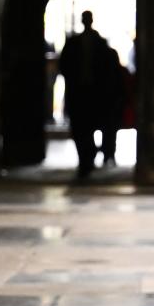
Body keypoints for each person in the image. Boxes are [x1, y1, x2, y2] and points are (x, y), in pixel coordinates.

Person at [58, 11, 121, 180]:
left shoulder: (101, 46)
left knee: (91, 126)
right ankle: (86, 159)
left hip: (96, 94)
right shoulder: (74, 44)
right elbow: (64, 66)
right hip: (79, 93)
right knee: (80, 129)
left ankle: (94, 155)